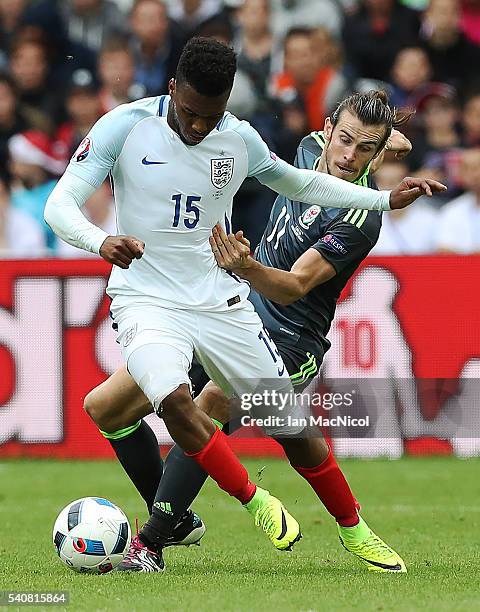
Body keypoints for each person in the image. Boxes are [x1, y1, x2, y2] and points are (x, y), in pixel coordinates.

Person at [44, 38, 444, 572]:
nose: (348, 156)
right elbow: (321, 162)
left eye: (363, 150)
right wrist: (384, 137)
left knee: (257, 421)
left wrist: (379, 199)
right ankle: (187, 519)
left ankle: (161, 542)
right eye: (344, 140)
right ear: (326, 130)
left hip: (282, 328)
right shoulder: (299, 148)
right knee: (109, 408)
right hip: (179, 300)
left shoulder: (347, 212)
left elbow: (293, 285)